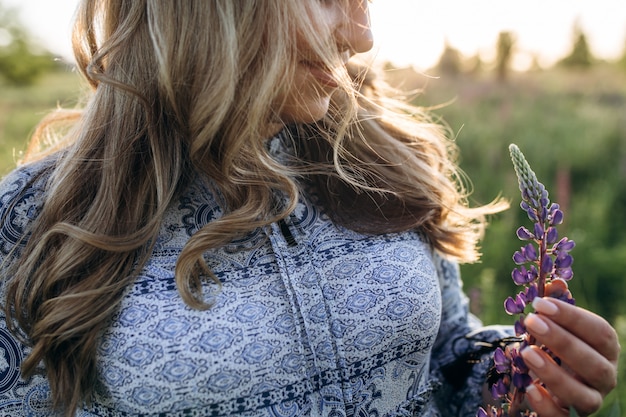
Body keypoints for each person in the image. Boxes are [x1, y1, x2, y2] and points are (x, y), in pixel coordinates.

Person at [0, 1, 619, 416]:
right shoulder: (34, 221)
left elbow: (441, 357)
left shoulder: (381, 157)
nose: (362, 36)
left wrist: (515, 374)